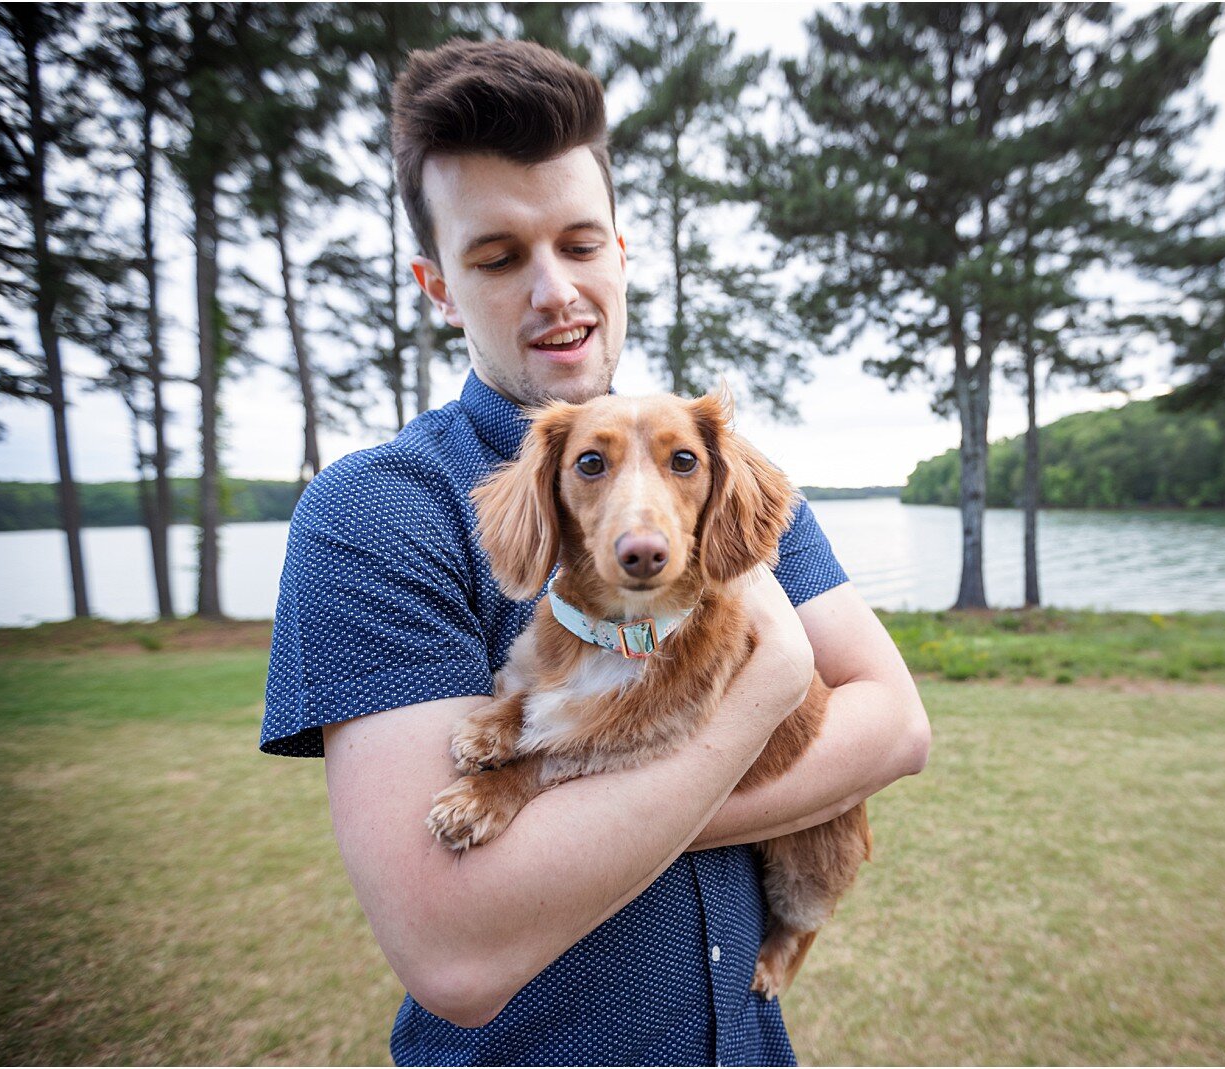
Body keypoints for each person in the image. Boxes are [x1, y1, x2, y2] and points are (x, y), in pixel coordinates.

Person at [260, 38, 930, 1067]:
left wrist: (555, 814)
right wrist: (771, 682)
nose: (554, 290)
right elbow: (456, 946)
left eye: (579, 244)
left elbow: (892, 725)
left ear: (621, 251)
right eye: (496, 257)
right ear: (436, 283)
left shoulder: (710, 468)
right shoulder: (375, 515)